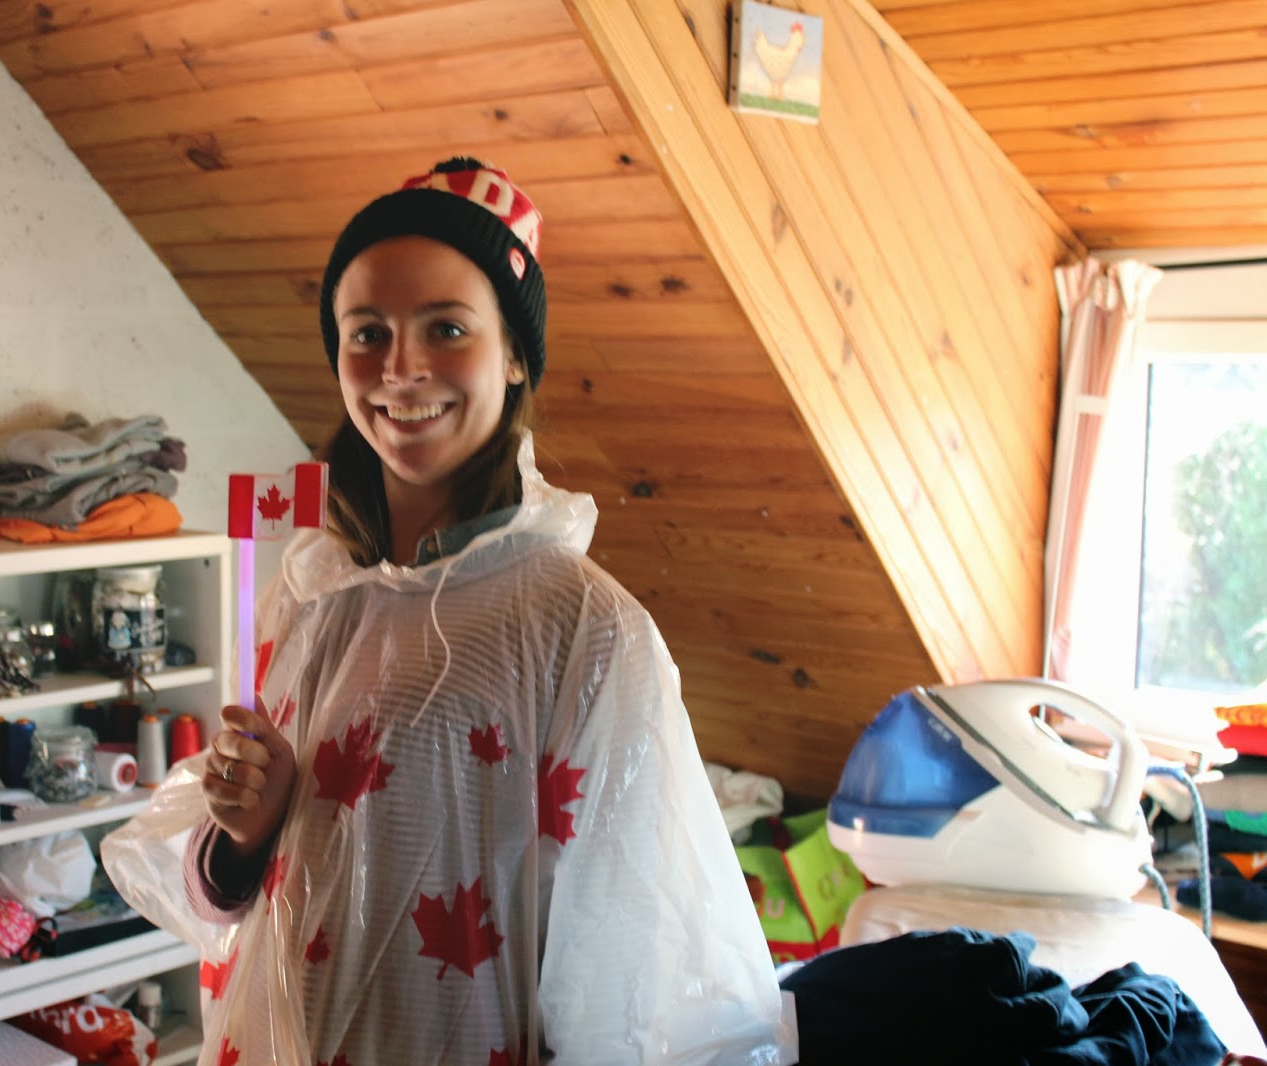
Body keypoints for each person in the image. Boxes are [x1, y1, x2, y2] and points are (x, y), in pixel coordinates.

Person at [103, 158, 793, 1065]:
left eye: (447, 327)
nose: (401, 368)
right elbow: (236, 901)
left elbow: (637, 980)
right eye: (367, 333)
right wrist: (244, 830)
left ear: (515, 357)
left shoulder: (581, 628)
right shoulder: (313, 594)